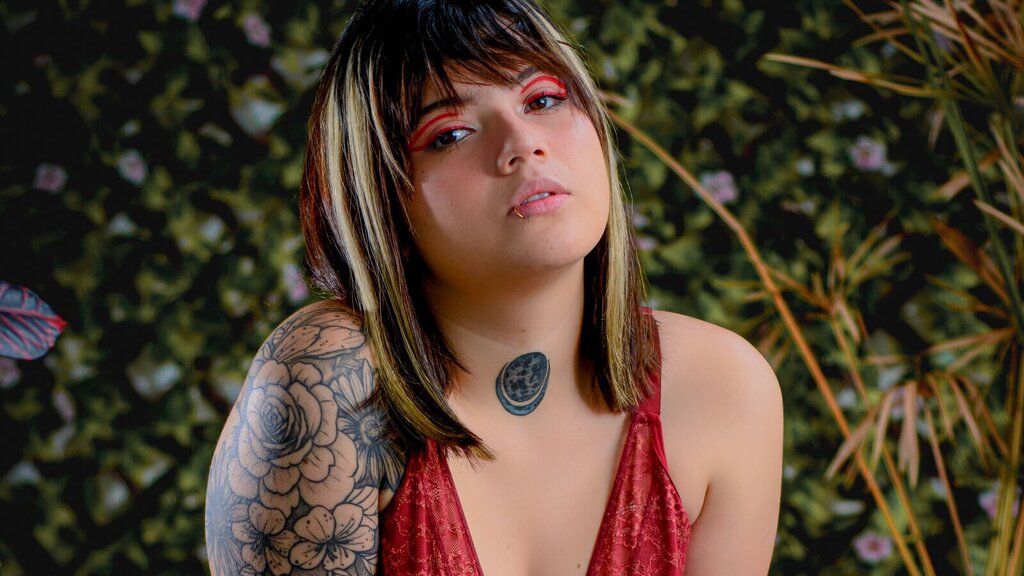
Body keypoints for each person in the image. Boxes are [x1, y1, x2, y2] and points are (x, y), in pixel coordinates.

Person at [205, 0, 783, 574]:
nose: (523, 143)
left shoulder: (722, 388)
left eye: (544, 100)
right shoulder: (329, 380)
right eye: (451, 133)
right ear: (382, 204)